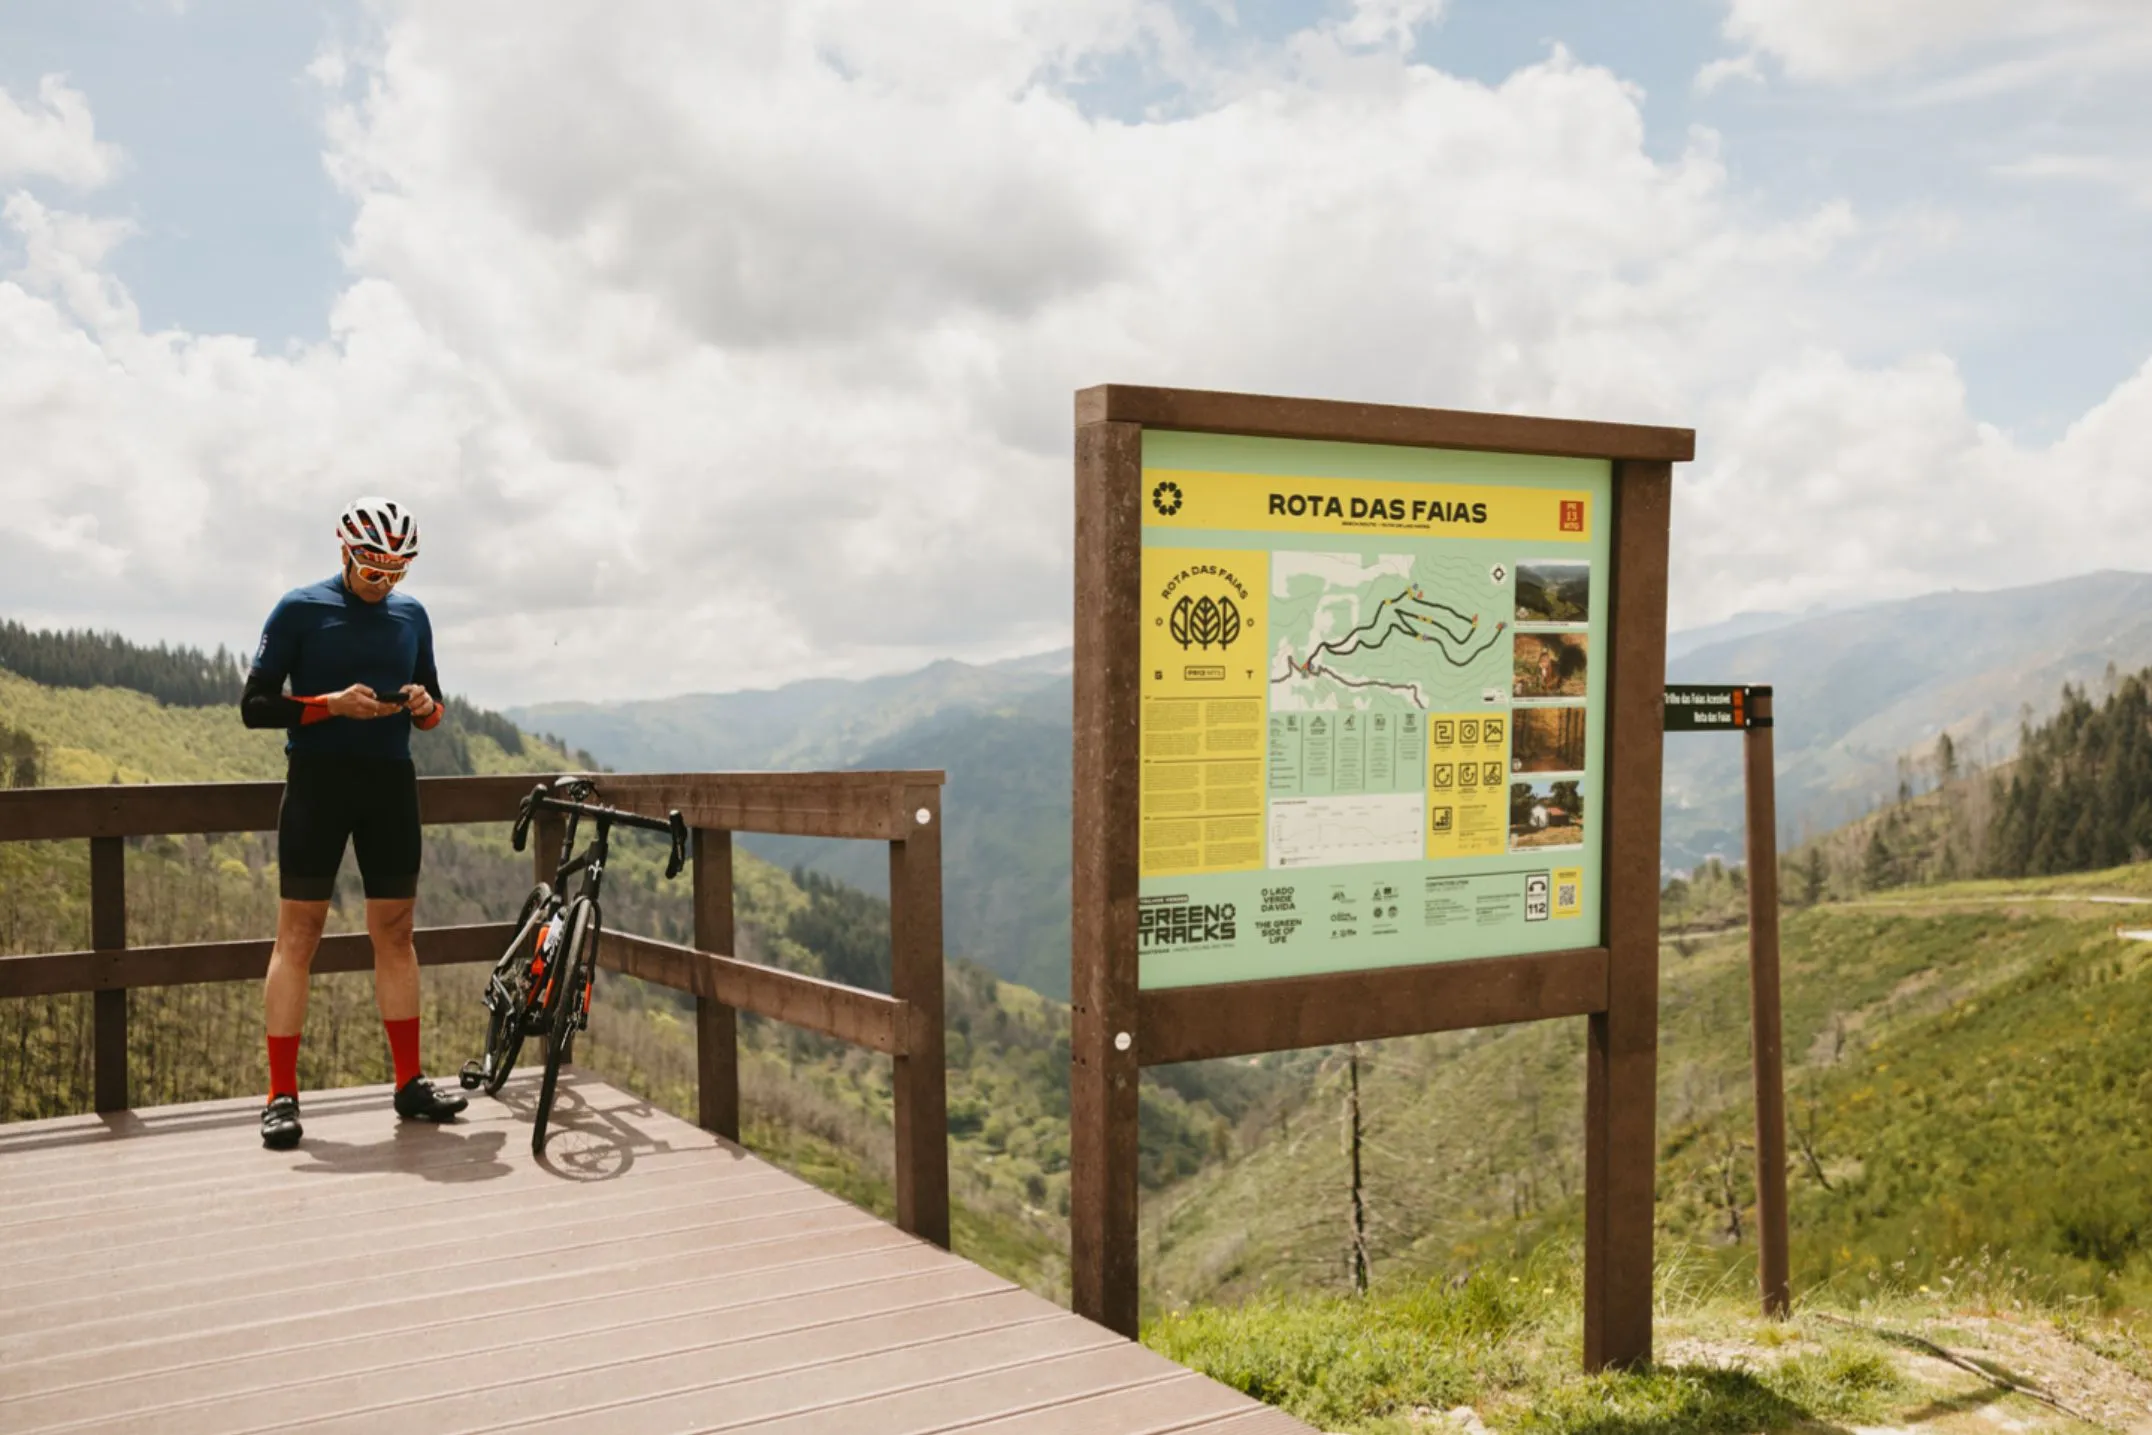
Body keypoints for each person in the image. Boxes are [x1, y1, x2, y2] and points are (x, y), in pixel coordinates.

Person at [241, 497, 468, 1149]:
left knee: (396, 932)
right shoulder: (299, 609)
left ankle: (409, 1082)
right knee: (300, 935)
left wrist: (425, 707)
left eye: (398, 567)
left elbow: (431, 703)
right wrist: (328, 705)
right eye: (373, 567)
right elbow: (254, 706)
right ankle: (280, 1094)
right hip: (317, 783)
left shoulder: (411, 614)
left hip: (390, 784)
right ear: (345, 550)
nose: (385, 580)